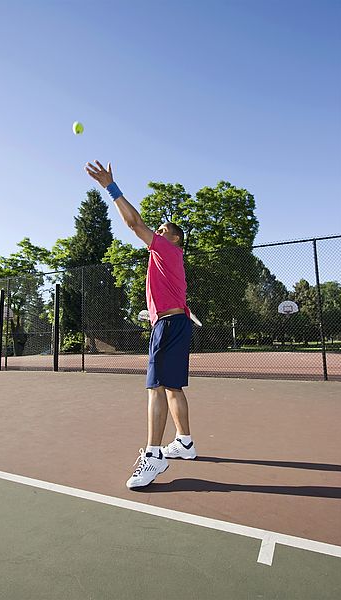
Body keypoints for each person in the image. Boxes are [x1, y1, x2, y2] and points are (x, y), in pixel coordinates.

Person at [85, 160, 197, 489]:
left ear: (174, 239)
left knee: (155, 388)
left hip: (170, 325)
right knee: (172, 386)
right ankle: (185, 443)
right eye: (158, 230)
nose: (157, 233)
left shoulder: (166, 249)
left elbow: (134, 224)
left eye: (163, 230)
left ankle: (154, 455)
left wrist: (111, 187)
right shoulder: (166, 258)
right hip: (174, 321)